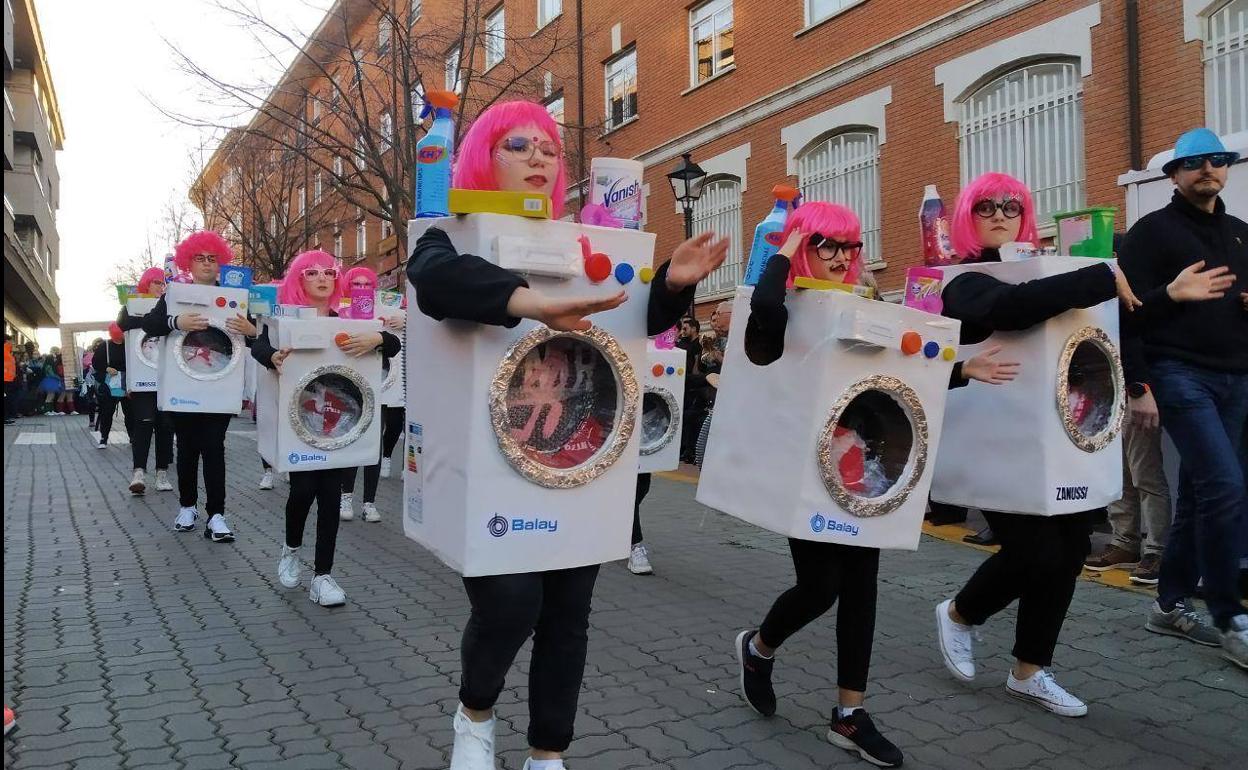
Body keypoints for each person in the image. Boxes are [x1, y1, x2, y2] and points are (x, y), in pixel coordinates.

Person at [406, 100, 728, 770]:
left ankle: (549, 750)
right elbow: (436, 282)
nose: (538, 158)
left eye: (548, 148)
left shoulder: (585, 241)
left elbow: (631, 317)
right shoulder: (447, 230)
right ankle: (474, 713)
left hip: (576, 457)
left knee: (568, 616)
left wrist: (670, 281)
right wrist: (533, 302)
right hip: (489, 468)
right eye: (518, 145)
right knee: (511, 605)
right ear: (482, 158)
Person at [733, 202, 1018, 767]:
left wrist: (963, 370)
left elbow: (899, 373)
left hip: (866, 468)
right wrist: (786, 250)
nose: (839, 258)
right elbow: (765, 303)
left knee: (862, 588)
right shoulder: (780, 312)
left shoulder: (864, 306)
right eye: (825, 245)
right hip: (804, 471)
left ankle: (849, 714)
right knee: (820, 588)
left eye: (848, 247)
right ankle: (758, 647)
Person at [932, 172, 1142, 717]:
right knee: (1035, 551)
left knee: (1069, 550)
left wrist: (1160, 291)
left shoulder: (1053, 270)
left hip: (1061, 436)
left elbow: (1110, 311)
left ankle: (1029, 670)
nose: (999, 213)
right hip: (996, 438)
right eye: (985, 206)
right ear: (966, 216)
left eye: (1011, 205)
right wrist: (1101, 273)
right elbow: (1011, 307)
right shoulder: (957, 277)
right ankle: (960, 613)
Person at [1117, 128, 1247, 669]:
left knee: (1201, 496)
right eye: (1194, 162)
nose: (1207, 170)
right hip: (1179, 374)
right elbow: (1127, 314)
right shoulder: (1151, 233)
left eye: (1216, 161)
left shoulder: (1241, 233)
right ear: (1174, 173)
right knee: (1225, 486)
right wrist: (1140, 386)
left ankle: (1169, 605)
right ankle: (1227, 615)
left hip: (1236, 376)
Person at [253, 251, 401, 606]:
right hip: (299, 421)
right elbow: (260, 343)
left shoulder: (349, 320)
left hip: (341, 423)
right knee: (303, 491)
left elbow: (392, 344)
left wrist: (378, 339)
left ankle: (323, 575)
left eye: (330, 273)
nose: (323, 278)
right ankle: (291, 549)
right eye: (312, 272)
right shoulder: (283, 318)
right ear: (298, 280)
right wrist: (271, 356)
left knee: (331, 498)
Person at [142, 231, 258, 543]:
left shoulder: (235, 296)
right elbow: (149, 325)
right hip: (185, 385)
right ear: (188, 262)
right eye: (200, 258)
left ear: (220, 263)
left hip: (220, 383)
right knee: (188, 448)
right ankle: (187, 506)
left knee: (214, 448)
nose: (206, 264)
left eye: (212, 258)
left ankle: (217, 514)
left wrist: (251, 330)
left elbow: (253, 339)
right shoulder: (173, 294)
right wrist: (175, 323)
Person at [338, 266, 406, 523]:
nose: (362, 289)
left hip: (376, 389)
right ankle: (345, 497)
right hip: (347, 390)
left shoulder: (384, 313)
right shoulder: (339, 312)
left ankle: (369, 502)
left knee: (372, 447)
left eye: (367, 284)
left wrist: (380, 336)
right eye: (356, 284)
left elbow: (394, 344)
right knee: (352, 443)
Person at [116, 268, 176, 494]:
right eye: (157, 283)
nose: (161, 287)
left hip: (167, 377)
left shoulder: (170, 305)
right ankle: (138, 472)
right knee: (143, 424)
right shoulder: (132, 306)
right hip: (143, 379)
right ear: (146, 284)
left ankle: (161, 473)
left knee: (165, 426)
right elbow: (123, 322)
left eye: (163, 283)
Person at [90, 334, 127, 451]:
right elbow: (95, 362)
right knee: (107, 411)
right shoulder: (105, 345)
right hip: (110, 382)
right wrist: (107, 368)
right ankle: (103, 438)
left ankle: (133, 437)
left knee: (130, 411)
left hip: (127, 381)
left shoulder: (130, 344)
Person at [5, 335, 18, 424]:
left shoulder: (8, 352)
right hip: (5, 379)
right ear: (6, 341)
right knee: (6, 398)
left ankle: (7, 416)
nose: (13, 343)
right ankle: (5, 417)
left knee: (7, 398)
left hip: (9, 379)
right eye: (11, 341)